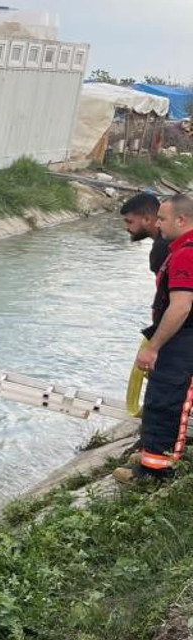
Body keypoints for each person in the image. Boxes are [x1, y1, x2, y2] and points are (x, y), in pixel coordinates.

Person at [124, 194, 193, 482]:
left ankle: (153, 472)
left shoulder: (186, 253)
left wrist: (153, 347)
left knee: (164, 399)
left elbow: (180, 305)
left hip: (183, 339)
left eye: (162, 219)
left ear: (181, 220)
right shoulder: (179, 249)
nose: (158, 224)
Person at [120, 192, 168, 274]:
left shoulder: (162, 248)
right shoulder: (170, 239)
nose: (127, 228)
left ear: (147, 219)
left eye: (130, 222)